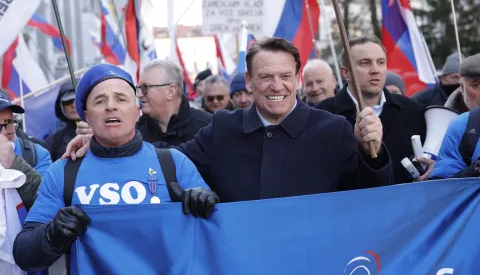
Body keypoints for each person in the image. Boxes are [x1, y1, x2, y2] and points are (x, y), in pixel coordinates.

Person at [63, 37, 393, 203]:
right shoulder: (223, 128)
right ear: (248, 82)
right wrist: (110, 142)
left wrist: (372, 152)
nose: (275, 86)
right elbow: (167, 165)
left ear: (296, 79)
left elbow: (372, 198)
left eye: (284, 76)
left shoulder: (333, 129)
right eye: (265, 77)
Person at [13, 64, 219, 272]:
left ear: (137, 112)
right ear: (86, 115)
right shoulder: (63, 172)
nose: (111, 106)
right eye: (100, 101)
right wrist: (51, 236)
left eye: (121, 99)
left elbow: (213, 236)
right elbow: (24, 253)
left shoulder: (174, 163)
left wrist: (206, 203)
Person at [315, 35, 426, 184]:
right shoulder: (322, 115)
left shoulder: (413, 111)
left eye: (381, 62)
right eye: (365, 63)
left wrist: (433, 169)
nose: (375, 70)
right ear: (346, 72)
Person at [136, 60, 212, 144]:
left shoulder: (208, 127)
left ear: (171, 91)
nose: (139, 94)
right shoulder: (134, 132)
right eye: (139, 88)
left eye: (145, 87)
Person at [0, 89, 51, 176]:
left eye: (8, 122)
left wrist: (14, 164)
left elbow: (45, 189)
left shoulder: (37, 154)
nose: (4, 133)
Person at [46, 81, 81, 161]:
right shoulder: (54, 140)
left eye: (78, 100)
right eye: (68, 101)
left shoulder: (104, 130)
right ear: (61, 106)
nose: (74, 105)